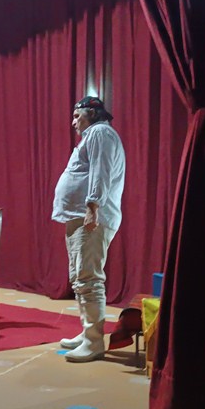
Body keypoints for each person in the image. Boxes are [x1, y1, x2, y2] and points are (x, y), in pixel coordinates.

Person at [52, 96, 126, 362]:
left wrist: (93, 207)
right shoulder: (92, 136)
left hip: (91, 216)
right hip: (78, 216)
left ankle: (94, 341)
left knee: (89, 279)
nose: (73, 122)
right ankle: (87, 333)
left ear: (92, 114)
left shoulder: (100, 133)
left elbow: (100, 172)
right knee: (79, 278)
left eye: (77, 116)